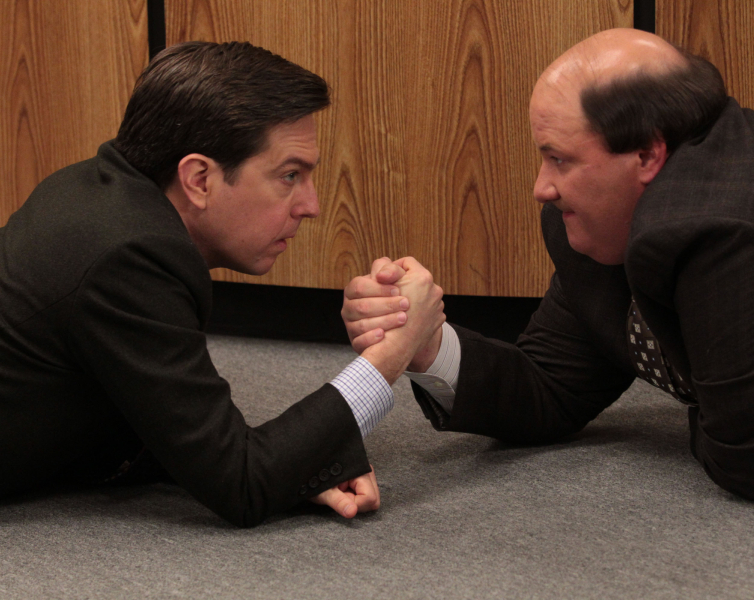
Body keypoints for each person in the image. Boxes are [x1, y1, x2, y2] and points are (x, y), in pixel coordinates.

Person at [342, 28, 754, 503]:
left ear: (646, 154)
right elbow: (552, 386)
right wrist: (426, 344)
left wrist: (714, 412)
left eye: (560, 159)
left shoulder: (729, 228)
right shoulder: (605, 221)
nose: (542, 187)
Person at [0, 41, 444, 527]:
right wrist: (392, 354)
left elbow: (160, 421)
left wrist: (294, 462)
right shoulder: (127, 256)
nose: (311, 205)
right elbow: (243, 484)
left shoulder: (96, 191)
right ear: (199, 179)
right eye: (289, 175)